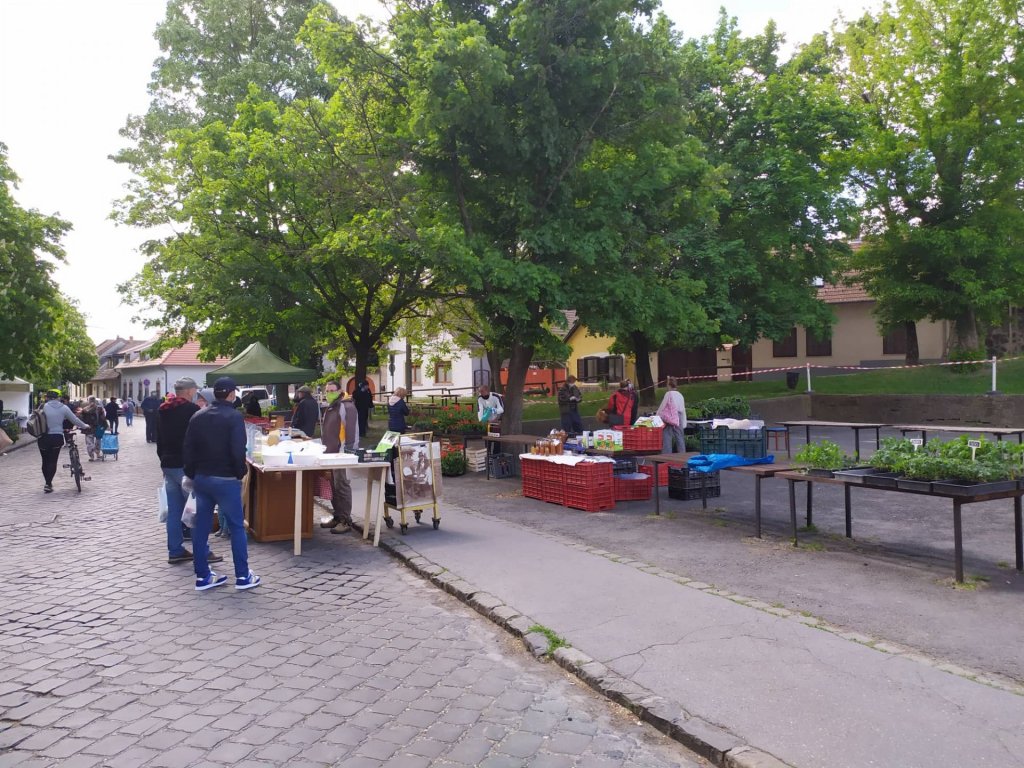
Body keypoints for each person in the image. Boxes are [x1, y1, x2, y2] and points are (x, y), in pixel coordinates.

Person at [183, 376, 260, 591]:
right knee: (236, 527)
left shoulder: (198, 416)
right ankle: (243, 576)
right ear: (232, 394)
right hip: (226, 480)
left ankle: (202, 576)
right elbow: (238, 450)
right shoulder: (234, 417)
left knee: (200, 527)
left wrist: (192, 474)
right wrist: (239, 472)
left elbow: (188, 449)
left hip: (202, 478)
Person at [157, 377, 224, 566]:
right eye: (195, 390)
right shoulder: (192, 410)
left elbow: (159, 439)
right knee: (196, 510)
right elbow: (199, 440)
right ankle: (202, 552)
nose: (196, 393)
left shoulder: (163, 410)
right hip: (186, 467)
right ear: (188, 391)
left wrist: (163, 463)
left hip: (168, 464)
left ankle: (175, 550)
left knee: (174, 511)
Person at [320, 380, 359, 535]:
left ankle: (345, 520)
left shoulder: (346, 406)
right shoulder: (332, 405)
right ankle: (337, 516)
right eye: (327, 391)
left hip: (341, 453)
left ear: (339, 390)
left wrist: (348, 452)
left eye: (332, 390)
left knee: (342, 486)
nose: (329, 393)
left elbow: (352, 431)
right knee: (333, 487)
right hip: (330, 453)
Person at [37, 389, 88, 493]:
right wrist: (85, 426)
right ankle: (48, 483)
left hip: (43, 437)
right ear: (58, 398)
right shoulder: (64, 408)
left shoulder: (42, 407)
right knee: (53, 461)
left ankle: (47, 483)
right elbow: (75, 420)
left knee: (45, 461)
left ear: (47, 398)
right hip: (57, 437)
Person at [656, 377, 687, 453]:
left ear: (669, 385)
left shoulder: (668, 394)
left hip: (669, 418)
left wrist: (657, 415)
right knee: (680, 437)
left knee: (667, 436)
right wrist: (684, 422)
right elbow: (683, 409)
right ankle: (682, 454)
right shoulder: (680, 395)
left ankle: (667, 455)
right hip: (679, 417)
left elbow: (663, 406)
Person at [477, 385, 504, 454]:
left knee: (496, 439)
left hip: (497, 419)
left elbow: (501, 409)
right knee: (488, 438)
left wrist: (493, 410)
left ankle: (496, 454)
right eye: (480, 392)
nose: (481, 393)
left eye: (482, 391)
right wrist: (481, 420)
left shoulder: (496, 397)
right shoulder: (480, 398)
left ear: (487, 391)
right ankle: (487, 453)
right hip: (488, 420)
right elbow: (480, 410)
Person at [80, 397, 107, 461]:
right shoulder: (99, 409)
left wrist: (81, 426)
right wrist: (105, 426)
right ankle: (97, 453)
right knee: (97, 441)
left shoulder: (84, 409)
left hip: (89, 428)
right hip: (97, 428)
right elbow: (103, 418)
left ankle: (92, 456)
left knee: (90, 442)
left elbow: (81, 418)